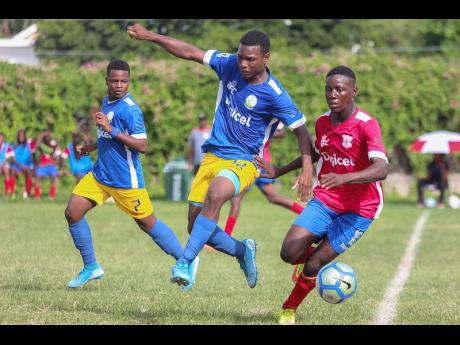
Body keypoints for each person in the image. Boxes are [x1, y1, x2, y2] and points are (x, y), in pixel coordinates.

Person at [127, 24, 314, 291]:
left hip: (245, 161)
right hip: (213, 155)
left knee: (216, 194)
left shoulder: (276, 95)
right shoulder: (228, 65)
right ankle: (242, 251)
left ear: (266, 58)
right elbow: (190, 52)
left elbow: (303, 132)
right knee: (195, 226)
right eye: (240, 56)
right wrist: (150, 36)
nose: (243, 63)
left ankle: (185, 263)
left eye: (250, 59)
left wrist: (306, 168)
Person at [257, 66, 388, 325]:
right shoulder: (323, 122)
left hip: (361, 209)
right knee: (289, 253)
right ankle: (319, 248)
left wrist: (344, 177)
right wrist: (280, 170)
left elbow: (381, 168)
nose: (332, 94)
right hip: (327, 200)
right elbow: (317, 153)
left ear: (353, 91)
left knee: (314, 264)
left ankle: (288, 309)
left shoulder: (367, 125)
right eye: (328, 88)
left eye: (339, 89)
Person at [63, 59, 196, 290]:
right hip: (100, 175)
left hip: (126, 181)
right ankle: (91, 267)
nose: (119, 85)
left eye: (124, 81)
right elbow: (108, 138)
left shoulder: (131, 110)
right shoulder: (107, 102)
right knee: (72, 213)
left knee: (147, 223)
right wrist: (91, 148)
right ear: (106, 81)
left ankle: (186, 261)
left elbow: (142, 145)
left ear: (129, 82)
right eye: (114, 80)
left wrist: (110, 129)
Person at [224, 123, 305, 236]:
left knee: (236, 199)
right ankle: (306, 214)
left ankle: (225, 236)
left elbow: (282, 133)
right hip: (256, 162)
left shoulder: (270, 111)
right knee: (273, 197)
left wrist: (264, 133)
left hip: (255, 163)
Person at [33, 129, 62, 200]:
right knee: (37, 179)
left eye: (48, 136)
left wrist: (53, 163)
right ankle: (37, 196)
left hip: (51, 166)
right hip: (42, 166)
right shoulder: (41, 143)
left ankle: (51, 197)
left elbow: (57, 159)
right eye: (45, 136)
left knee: (53, 178)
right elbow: (35, 147)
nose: (47, 138)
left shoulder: (54, 143)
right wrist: (41, 135)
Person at [11, 129, 35, 198]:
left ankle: (27, 192)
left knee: (29, 171)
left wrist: (32, 165)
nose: (21, 137)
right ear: (17, 137)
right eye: (20, 136)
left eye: (22, 136)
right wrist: (20, 165)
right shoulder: (14, 145)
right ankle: (12, 192)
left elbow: (33, 154)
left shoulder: (29, 145)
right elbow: (12, 158)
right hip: (16, 165)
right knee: (12, 170)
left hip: (27, 165)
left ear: (25, 136)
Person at [0, 132, 15, 197]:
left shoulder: (7, 147)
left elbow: (10, 157)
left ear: (3, 139)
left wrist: (1, 165)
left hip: (4, 164)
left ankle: (8, 190)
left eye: (1, 138)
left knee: (6, 169)